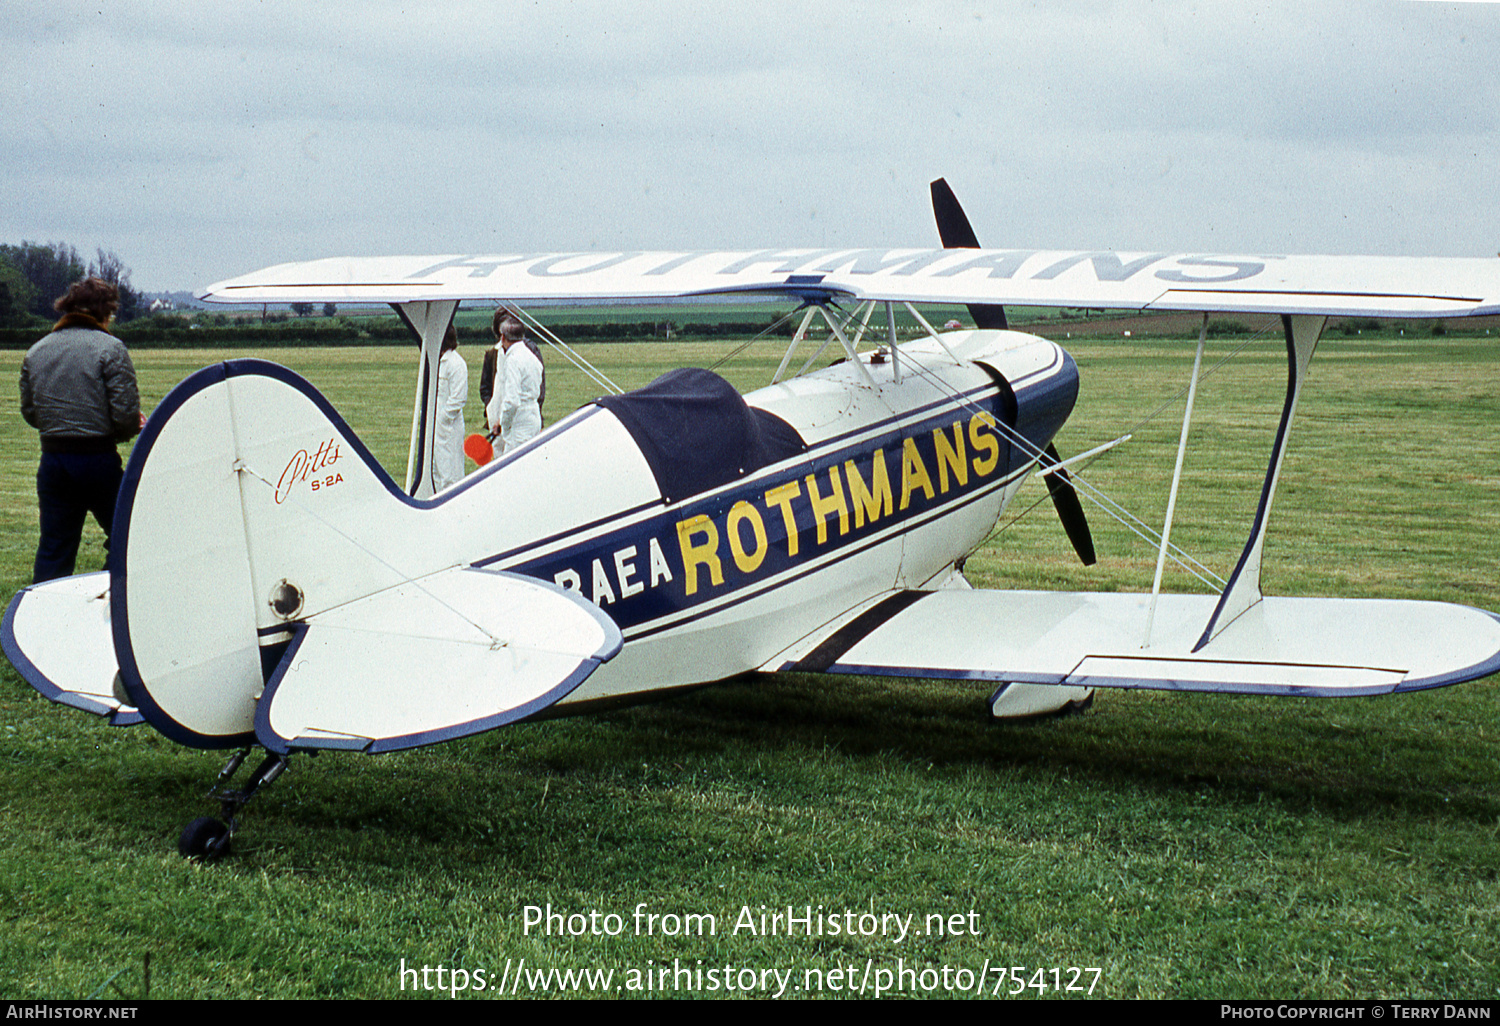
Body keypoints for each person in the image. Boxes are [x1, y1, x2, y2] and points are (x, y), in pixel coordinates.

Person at [19, 277, 140, 582]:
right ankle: (109, 595)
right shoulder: (111, 348)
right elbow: (126, 415)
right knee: (129, 534)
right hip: (98, 460)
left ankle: (41, 620)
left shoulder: (36, 351)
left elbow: (31, 412)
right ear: (106, 311)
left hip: (53, 462)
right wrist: (123, 430)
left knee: (54, 549)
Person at [480, 311, 544, 451]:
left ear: (502, 337)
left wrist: (503, 423)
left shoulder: (513, 360)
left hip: (519, 424)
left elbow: (512, 401)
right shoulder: (532, 357)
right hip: (533, 419)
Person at [432, 324, 468, 490]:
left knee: (450, 472)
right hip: (437, 424)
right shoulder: (438, 361)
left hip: (449, 426)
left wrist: (444, 419)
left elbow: (458, 398)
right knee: (437, 469)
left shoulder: (455, 363)